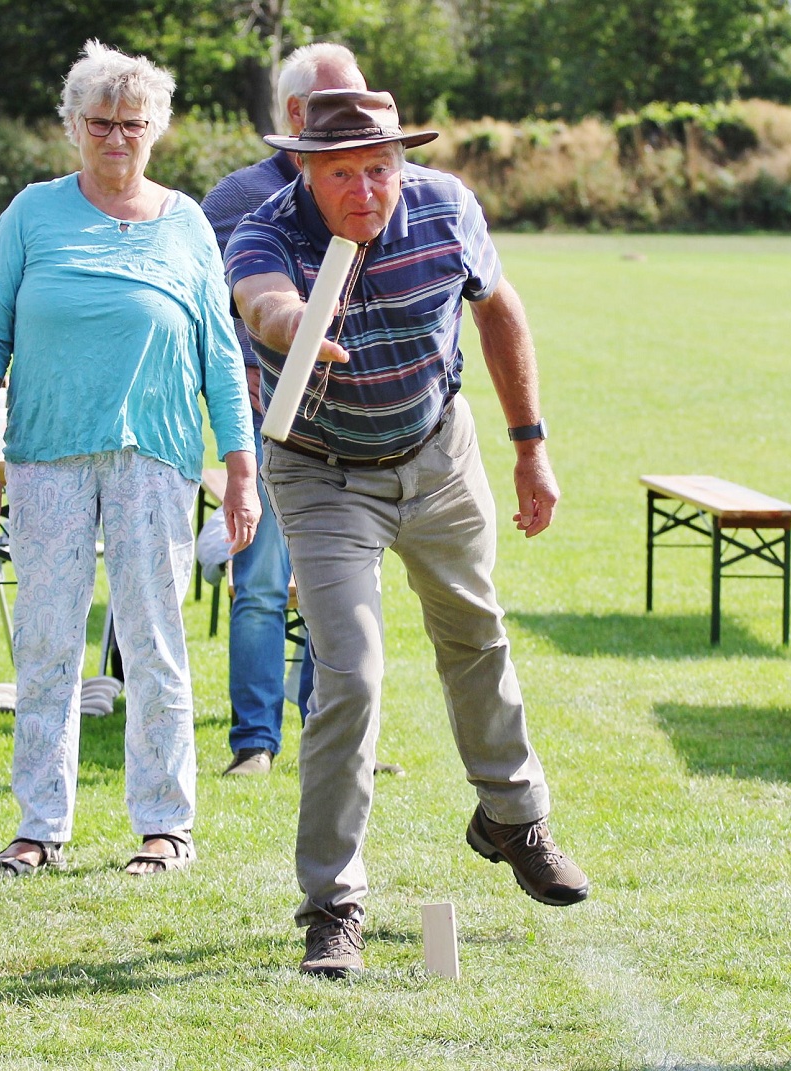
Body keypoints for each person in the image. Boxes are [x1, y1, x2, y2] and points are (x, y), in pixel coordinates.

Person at [227, 90, 590, 976]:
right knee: (349, 674)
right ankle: (333, 906)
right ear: (304, 169)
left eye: (379, 168)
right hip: (321, 473)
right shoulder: (264, 233)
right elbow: (262, 302)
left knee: (476, 631)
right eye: (342, 171)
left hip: (438, 450)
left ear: (403, 164)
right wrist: (295, 327)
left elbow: (499, 311)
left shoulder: (446, 206)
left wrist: (530, 447)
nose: (365, 189)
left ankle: (512, 816)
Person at [0, 41, 258, 879]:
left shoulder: (188, 224)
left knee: (155, 640)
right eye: (101, 123)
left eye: (133, 124)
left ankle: (166, 825)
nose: (117, 139)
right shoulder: (31, 213)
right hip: (45, 457)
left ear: (156, 130)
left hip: (154, 459)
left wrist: (240, 467)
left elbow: (218, 354)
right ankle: (38, 825)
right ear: (73, 127)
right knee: (46, 645)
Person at [201, 44, 364, 778]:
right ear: (297, 114)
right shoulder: (240, 200)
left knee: (339, 588)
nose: (357, 117)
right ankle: (255, 744)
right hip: (270, 428)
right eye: (339, 102)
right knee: (262, 586)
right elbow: (211, 318)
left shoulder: (369, 188)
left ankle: (326, 737)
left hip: (359, 428)